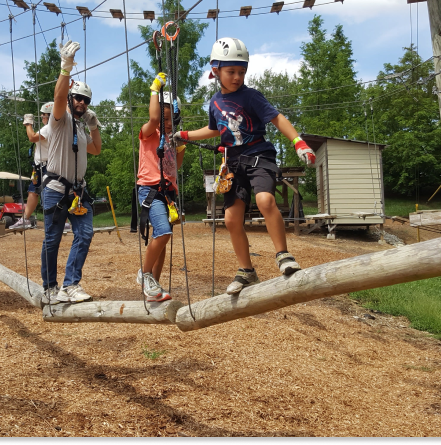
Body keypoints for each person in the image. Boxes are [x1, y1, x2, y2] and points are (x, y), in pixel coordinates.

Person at [173, 37, 316, 295]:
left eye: (241, 71)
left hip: (259, 154)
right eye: (231, 72)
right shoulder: (215, 102)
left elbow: (276, 118)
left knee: (265, 201)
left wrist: (298, 142)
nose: (237, 77)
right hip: (233, 162)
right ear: (215, 70)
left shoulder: (251, 96)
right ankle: (246, 271)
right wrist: (185, 135)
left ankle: (283, 255)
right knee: (230, 219)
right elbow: (215, 130)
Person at [39, 41, 102, 305]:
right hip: (55, 189)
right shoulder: (59, 120)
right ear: (70, 99)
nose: (82, 103)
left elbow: (96, 149)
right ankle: (50, 288)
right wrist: (66, 67)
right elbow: (57, 97)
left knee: (85, 234)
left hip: (78, 191)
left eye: (86, 100)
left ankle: (70, 284)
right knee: (52, 240)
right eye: (78, 98)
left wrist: (94, 124)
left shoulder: (80, 128)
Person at [135, 76, 186, 302]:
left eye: (171, 119)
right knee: (164, 233)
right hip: (150, 190)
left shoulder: (174, 139)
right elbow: (154, 119)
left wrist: (181, 146)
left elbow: (176, 167)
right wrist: (154, 89)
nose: (167, 123)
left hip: (167, 193)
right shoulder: (149, 133)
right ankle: (145, 275)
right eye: (164, 118)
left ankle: (152, 288)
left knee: (162, 239)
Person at [10, 102, 53, 230]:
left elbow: (32, 137)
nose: (41, 117)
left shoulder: (50, 127)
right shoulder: (49, 127)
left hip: (47, 167)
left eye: (43, 115)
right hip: (40, 167)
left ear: (49, 116)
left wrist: (28, 124)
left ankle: (62, 221)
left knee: (52, 193)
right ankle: (25, 219)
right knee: (33, 192)